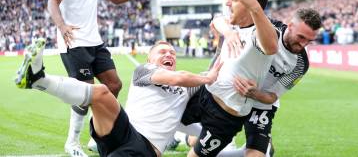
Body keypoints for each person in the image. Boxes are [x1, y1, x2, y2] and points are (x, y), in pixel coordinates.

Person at [47, 0, 162, 156]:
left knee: (114, 85)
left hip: (95, 41)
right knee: (86, 92)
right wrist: (62, 26)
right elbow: (53, 1)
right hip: (73, 41)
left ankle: (96, 134)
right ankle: (72, 142)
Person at [15, 38, 223, 157]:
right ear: (150, 58)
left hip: (145, 149)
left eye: (172, 53)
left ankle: (36, 80)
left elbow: (214, 68)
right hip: (123, 131)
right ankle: (38, 79)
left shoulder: (188, 87)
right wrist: (208, 77)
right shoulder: (144, 71)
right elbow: (179, 78)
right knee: (102, 93)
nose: (169, 55)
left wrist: (224, 37)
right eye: (162, 52)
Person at [180, 0, 279, 156]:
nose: (227, 3)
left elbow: (272, 46)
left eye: (235, 0)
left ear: (251, 4)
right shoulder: (235, 19)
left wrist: (253, 5)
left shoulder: (262, 32)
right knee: (162, 109)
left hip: (224, 117)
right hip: (204, 94)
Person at [216, 8, 321, 157]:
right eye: (301, 37)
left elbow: (273, 97)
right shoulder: (266, 26)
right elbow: (218, 20)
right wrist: (229, 33)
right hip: (231, 92)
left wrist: (254, 93)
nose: (304, 44)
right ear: (290, 26)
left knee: (256, 155)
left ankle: (263, 147)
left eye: (310, 41)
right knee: (199, 143)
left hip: (260, 103)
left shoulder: (301, 64)